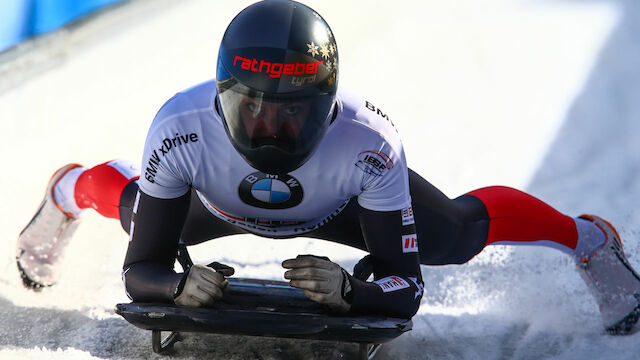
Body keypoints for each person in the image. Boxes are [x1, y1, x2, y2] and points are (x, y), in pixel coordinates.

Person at [16, 0, 640, 333]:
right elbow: (141, 270)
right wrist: (175, 285)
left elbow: (406, 286)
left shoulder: (368, 141)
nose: (270, 131)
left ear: (330, 106)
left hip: (343, 205)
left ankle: (587, 238)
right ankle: (70, 187)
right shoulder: (180, 130)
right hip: (214, 197)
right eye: (253, 110)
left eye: (293, 114)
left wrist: (354, 291)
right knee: (136, 215)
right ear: (220, 97)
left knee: (453, 234)